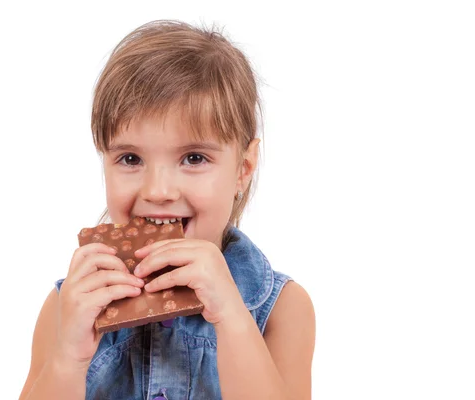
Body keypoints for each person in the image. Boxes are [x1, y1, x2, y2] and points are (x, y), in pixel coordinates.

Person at [19, 19, 315, 400]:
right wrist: (68, 360)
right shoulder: (66, 307)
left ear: (243, 169)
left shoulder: (282, 309)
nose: (157, 191)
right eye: (130, 158)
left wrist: (232, 320)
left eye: (193, 158)